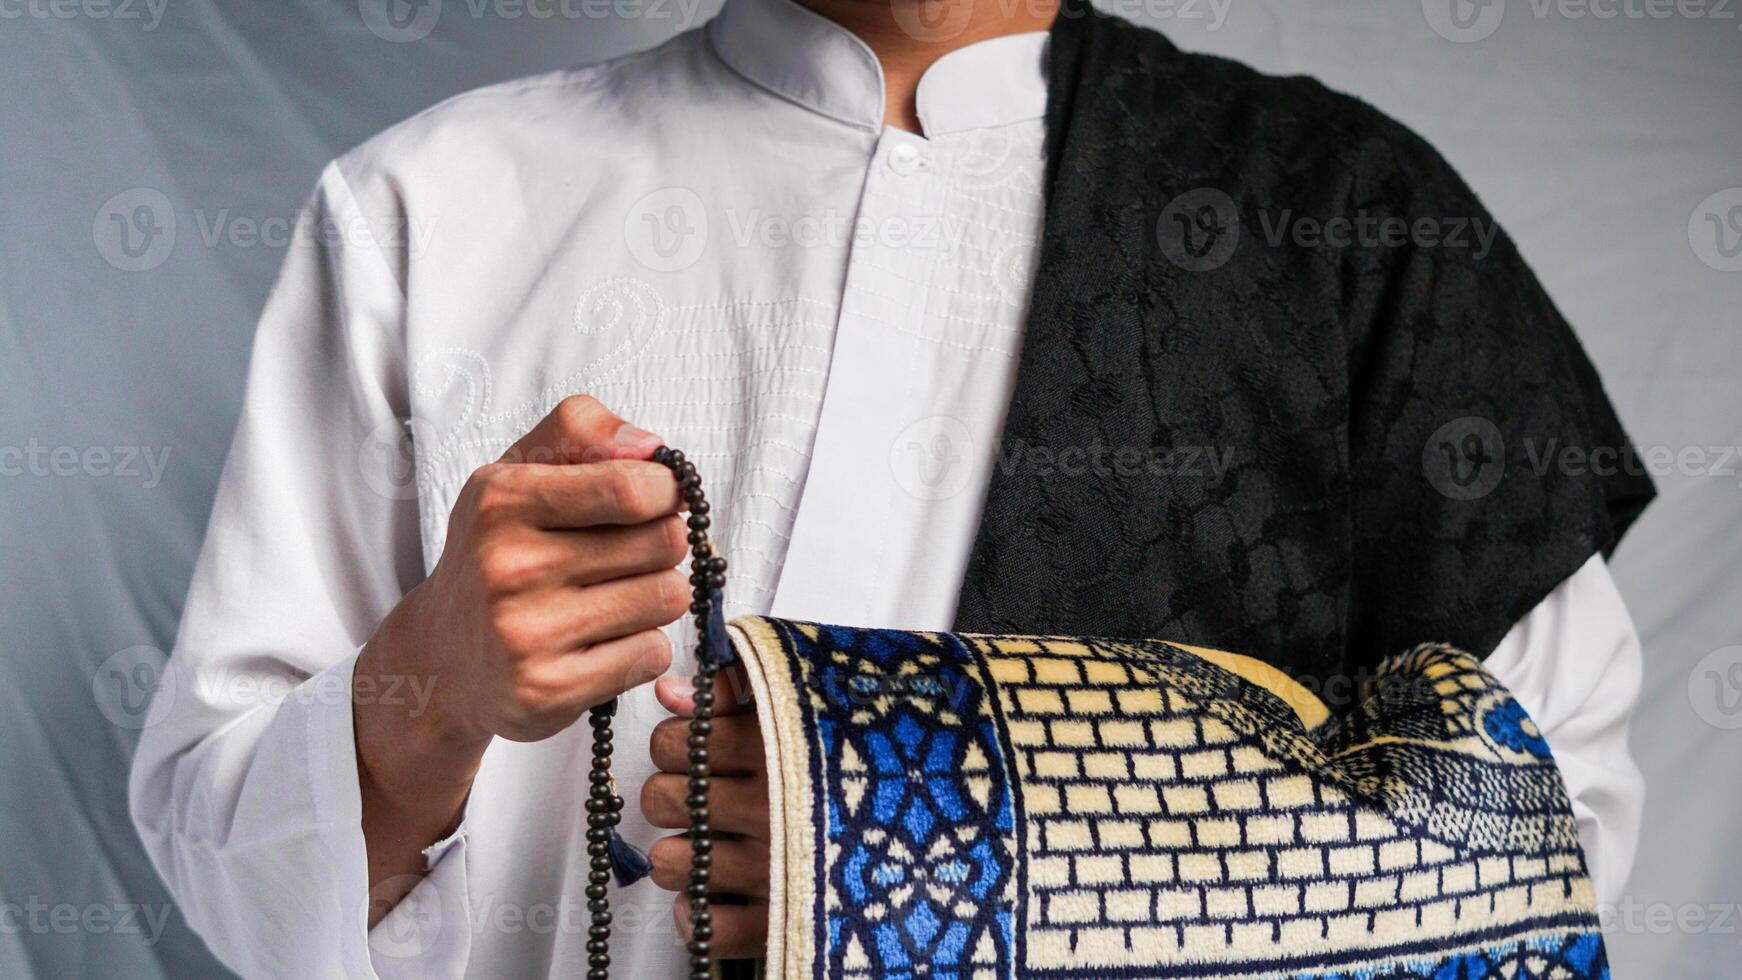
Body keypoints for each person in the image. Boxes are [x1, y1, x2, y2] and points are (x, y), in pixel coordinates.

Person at [129, 0, 1651, 975]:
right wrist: (424, 694)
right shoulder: (427, 208)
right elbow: (230, 870)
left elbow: (1540, 851)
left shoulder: (1355, 227)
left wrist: (904, 849)